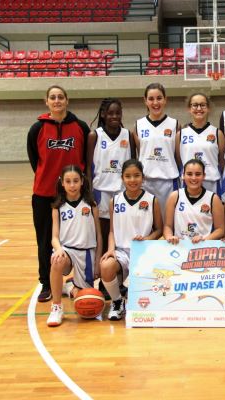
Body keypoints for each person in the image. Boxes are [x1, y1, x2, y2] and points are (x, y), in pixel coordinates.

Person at [27, 85, 90, 303]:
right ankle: (46, 282)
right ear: (46, 102)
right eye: (52, 97)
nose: (57, 101)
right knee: (45, 240)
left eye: (60, 97)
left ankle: (81, 278)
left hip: (74, 195)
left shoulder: (80, 126)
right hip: (45, 194)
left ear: (67, 100)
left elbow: (84, 160)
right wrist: (51, 181)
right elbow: (36, 161)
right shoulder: (37, 129)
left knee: (76, 238)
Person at [99, 160, 163, 321]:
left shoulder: (152, 200)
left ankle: (135, 299)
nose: (132, 180)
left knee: (142, 286)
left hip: (143, 251)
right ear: (122, 178)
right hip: (121, 251)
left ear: (143, 178)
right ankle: (117, 302)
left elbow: (159, 229)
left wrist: (147, 238)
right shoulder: (115, 200)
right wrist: (110, 249)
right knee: (106, 266)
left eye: (136, 176)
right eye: (128, 176)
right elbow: (112, 231)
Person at [87, 98, 136, 299]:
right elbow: (88, 166)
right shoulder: (94, 136)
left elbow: (132, 163)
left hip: (121, 195)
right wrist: (89, 191)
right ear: (103, 114)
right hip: (101, 192)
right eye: (111, 113)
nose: (115, 116)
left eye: (118, 113)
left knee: (119, 239)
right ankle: (102, 282)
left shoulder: (128, 135)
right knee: (103, 238)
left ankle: (116, 280)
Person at [47, 165, 102, 327]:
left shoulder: (91, 205)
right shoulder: (57, 207)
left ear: (82, 182)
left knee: (86, 301)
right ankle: (56, 307)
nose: (72, 185)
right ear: (62, 183)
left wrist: (98, 259)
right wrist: (58, 249)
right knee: (56, 260)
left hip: (87, 253)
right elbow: (54, 237)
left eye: (76, 181)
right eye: (68, 181)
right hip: (67, 251)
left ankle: (71, 287)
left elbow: (99, 235)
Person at [134, 83, 180, 217]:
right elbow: (140, 152)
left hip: (168, 181)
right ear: (145, 101)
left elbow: (178, 156)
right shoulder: (138, 125)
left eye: (159, 98)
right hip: (146, 182)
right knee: (147, 223)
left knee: (168, 222)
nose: (155, 102)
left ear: (165, 99)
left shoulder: (175, 124)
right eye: (151, 99)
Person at [164, 159, 225, 244]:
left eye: (198, 174)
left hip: (203, 247)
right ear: (183, 176)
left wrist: (204, 240)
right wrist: (170, 237)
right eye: (189, 174)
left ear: (204, 176)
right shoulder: (174, 196)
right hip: (179, 246)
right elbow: (168, 226)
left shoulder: (213, 198)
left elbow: (220, 230)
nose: (193, 178)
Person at [176, 92, 225, 193]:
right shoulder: (180, 134)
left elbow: (222, 162)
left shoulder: (217, 133)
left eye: (203, 105)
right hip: (188, 183)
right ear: (189, 109)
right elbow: (179, 160)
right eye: (195, 105)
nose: (199, 108)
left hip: (211, 182)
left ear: (208, 108)